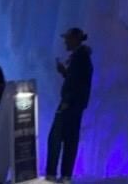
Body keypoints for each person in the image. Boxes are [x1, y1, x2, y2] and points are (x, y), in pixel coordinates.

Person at [46, 28, 93, 182]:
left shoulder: (80, 57)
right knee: (70, 139)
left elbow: (77, 84)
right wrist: (64, 72)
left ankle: (52, 174)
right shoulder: (81, 57)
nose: (65, 42)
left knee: (56, 137)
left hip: (70, 104)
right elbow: (78, 80)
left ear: (75, 39)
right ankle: (66, 175)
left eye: (67, 39)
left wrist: (67, 101)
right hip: (75, 105)